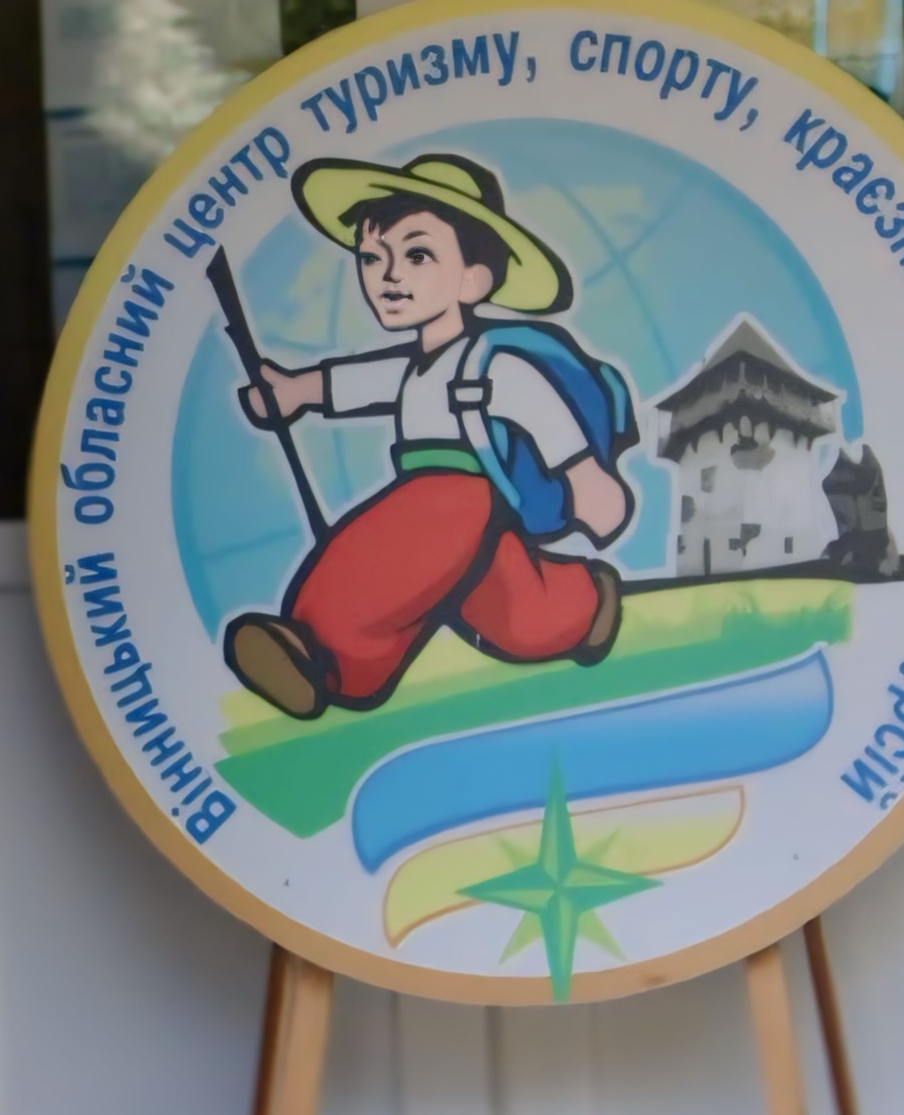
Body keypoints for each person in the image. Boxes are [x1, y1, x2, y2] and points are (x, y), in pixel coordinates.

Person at [228, 150, 630, 717]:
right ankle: (583, 606)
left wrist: (588, 480)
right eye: (372, 257)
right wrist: (293, 392)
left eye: (417, 255)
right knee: (515, 616)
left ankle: (318, 647)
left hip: (462, 497)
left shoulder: (492, 366)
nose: (388, 276)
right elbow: (348, 384)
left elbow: (549, 420)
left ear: (472, 279)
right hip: (442, 508)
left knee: (376, 555)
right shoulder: (411, 369)